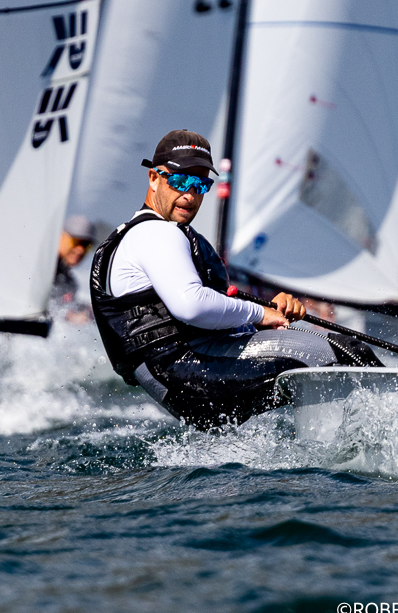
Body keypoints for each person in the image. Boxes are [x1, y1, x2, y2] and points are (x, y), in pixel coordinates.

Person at [90, 129, 380, 429]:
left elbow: (199, 312)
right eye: (180, 181)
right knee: (343, 351)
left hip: (177, 381)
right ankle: (388, 431)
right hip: (188, 369)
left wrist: (266, 315)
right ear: (154, 178)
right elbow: (191, 306)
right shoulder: (157, 233)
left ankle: (337, 441)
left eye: (200, 184)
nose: (190, 195)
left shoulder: (134, 237)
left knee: (317, 359)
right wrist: (260, 313)